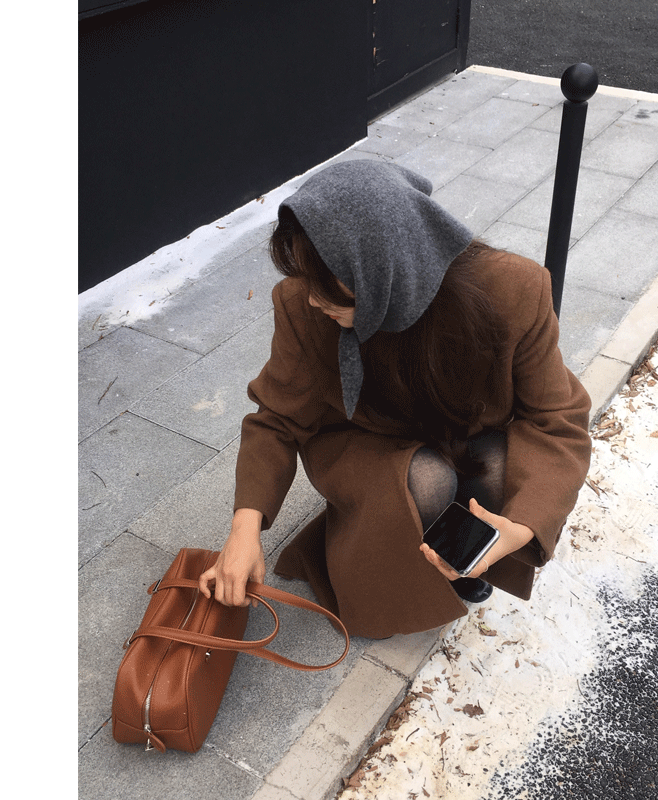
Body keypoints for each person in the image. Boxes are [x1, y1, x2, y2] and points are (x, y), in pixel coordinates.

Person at [199, 159, 592, 640]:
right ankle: (383, 566)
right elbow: (276, 419)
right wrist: (244, 530)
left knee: (496, 465)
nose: (312, 299)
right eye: (306, 277)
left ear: (382, 274)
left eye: (327, 287)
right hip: (362, 439)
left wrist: (522, 528)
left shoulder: (513, 290)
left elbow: (556, 416)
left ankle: (463, 555)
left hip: (461, 431)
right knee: (427, 478)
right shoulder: (302, 304)